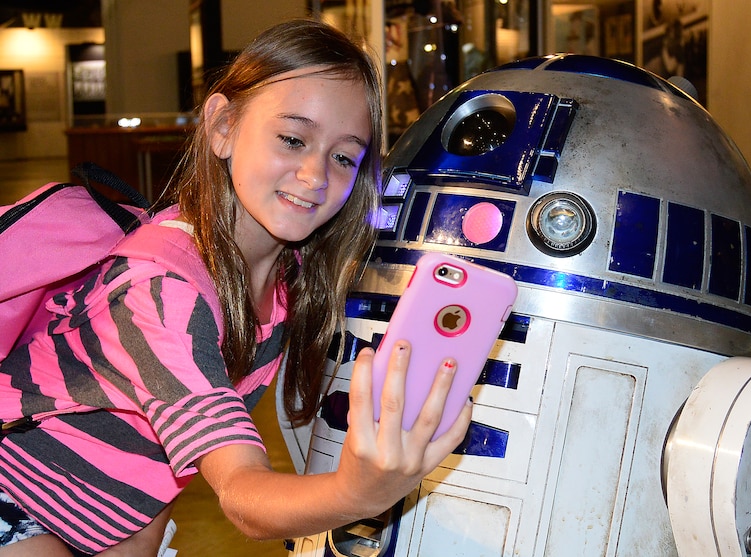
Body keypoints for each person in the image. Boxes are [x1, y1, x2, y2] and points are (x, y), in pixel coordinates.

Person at [0, 18, 471, 556]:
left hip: (104, 517)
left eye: (344, 156)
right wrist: (357, 492)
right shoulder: (160, 292)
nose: (315, 174)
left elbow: (153, 463)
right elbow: (242, 492)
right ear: (223, 126)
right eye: (292, 139)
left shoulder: (284, 277)